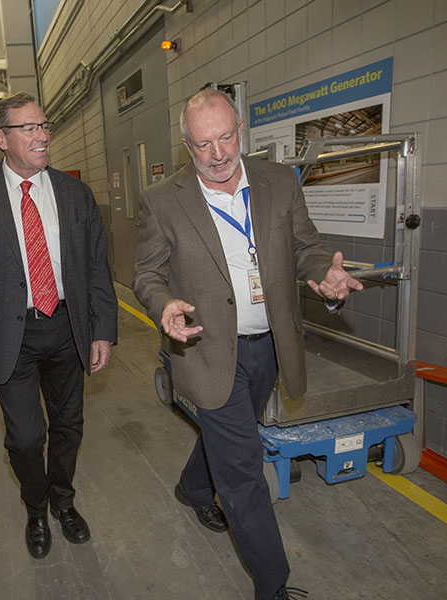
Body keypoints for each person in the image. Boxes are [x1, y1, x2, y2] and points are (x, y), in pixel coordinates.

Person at [133, 89, 362, 600]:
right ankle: (273, 585)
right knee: (241, 472)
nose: (217, 154)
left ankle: (192, 487)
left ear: (241, 130)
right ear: (186, 146)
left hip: (269, 346)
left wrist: (324, 272)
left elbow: (305, 247)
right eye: (203, 145)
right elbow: (147, 273)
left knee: (227, 432)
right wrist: (162, 303)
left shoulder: (279, 181)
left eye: (226, 138)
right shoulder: (163, 201)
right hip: (208, 348)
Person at [0, 93, 117, 559]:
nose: (43, 135)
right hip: (10, 336)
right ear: (1, 138)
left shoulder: (74, 194)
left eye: (44, 126)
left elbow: (96, 268)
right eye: (28, 128)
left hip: (67, 328)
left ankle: (63, 501)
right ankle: (35, 505)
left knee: (69, 424)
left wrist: (102, 329)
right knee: (26, 436)